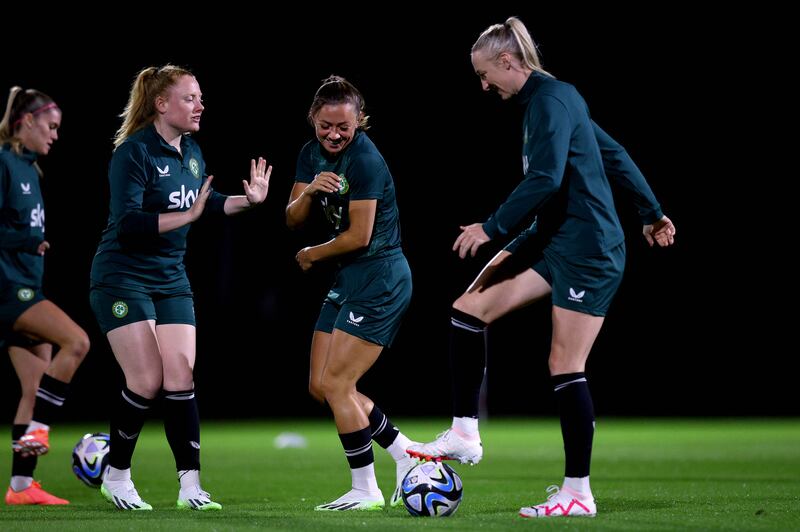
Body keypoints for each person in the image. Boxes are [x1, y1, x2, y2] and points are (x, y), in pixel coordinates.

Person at [407, 17, 676, 518]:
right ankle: (465, 432)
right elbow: (612, 153)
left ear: (508, 62)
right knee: (466, 311)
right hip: (554, 235)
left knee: (564, 365)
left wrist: (492, 225)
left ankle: (578, 494)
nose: (483, 84)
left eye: (485, 74)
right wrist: (651, 210)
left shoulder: (552, 100)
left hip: (589, 248)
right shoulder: (552, 98)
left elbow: (549, 177)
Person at [89, 65, 271, 511]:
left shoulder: (190, 152)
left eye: (200, 97)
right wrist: (187, 218)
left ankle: (191, 488)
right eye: (190, 98)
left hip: (170, 278)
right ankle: (117, 475)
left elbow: (204, 208)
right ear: (161, 104)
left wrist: (247, 200)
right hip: (122, 276)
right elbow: (130, 223)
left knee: (181, 376)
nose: (200, 105)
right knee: (146, 379)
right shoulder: (132, 153)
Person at [286, 75, 417, 512]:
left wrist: (312, 254)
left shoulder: (366, 160)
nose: (334, 134)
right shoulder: (310, 154)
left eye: (344, 126)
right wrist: (309, 191)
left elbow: (360, 236)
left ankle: (366, 490)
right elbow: (291, 217)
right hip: (348, 278)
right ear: (313, 120)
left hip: (380, 277)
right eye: (326, 125)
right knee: (320, 387)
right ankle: (404, 454)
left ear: (359, 121)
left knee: (339, 382)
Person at [1, 87, 91, 505]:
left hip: (25, 285)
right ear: (27, 122)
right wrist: (26, 238)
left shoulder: (30, 168)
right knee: (77, 341)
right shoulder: (3, 162)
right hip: (8, 291)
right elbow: (12, 232)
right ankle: (40, 428)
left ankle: (21, 486)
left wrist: (31, 242)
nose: (55, 135)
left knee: (33, 387)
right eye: (51, 127)